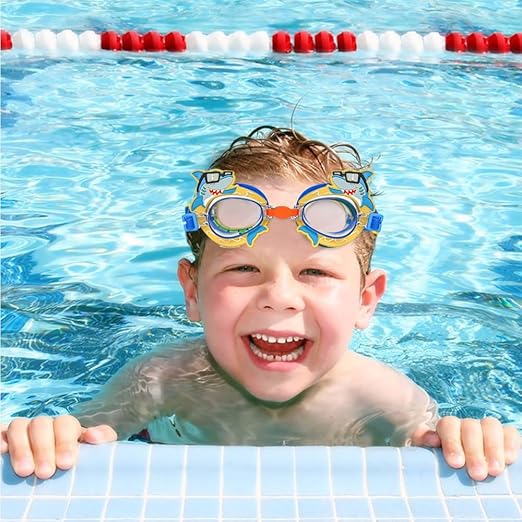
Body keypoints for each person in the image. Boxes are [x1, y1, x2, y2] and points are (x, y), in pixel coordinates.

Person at [1, 126, 519, 482]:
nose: (278, 298)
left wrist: (466, 440)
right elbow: (81, 435)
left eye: (315, 272)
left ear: (366, 301)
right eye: (243, 269)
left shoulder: (384, 399)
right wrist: (48, 434)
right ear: (191, 292)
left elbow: (434, 458)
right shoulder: (160, 379)